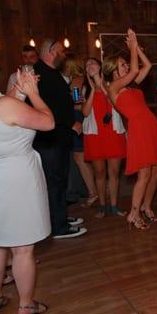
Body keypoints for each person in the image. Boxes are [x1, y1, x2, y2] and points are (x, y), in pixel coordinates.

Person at [0, 53, 53, 314]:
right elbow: (48, 121)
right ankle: (26, 304)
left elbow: (3, 108)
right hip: (17, 181)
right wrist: (33, 93)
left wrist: (18, 88)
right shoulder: (3, 105)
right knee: (23, 248)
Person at [106, 30, 157, 230]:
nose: (126, 66)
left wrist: (136, 49)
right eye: (122, 64)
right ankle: (133, 214)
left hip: (150, 125)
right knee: (144, 174)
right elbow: (135, 70)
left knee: (156, 168)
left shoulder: (132, 85)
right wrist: (132, 47)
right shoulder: (113, 88)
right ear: (113, 71)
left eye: (126, 63)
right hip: (138, 129)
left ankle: (146, 206)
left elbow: (148, 66)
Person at [29, 39, 87, 238]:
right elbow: (45, 108)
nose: (64, 56)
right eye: (61, 52)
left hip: (59, 138)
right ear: (51, 52)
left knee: (60, 182)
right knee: (54, 183)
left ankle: (59, 217)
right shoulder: (38, 74)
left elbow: (59, 102)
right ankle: (58, 227)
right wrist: (70, 123)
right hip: (49, 140)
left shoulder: (50, 73)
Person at [82, 57, 127, 217]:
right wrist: (93, 88)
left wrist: (100, 84)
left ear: (100, 67)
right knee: (99, 173)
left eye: (92, 63)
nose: (89, 65)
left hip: (113, 132)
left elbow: (117, 105)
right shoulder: (85, 89)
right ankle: (102, 205)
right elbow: (85, 112)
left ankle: (114, 206)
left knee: (114, 172)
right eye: (87, 64)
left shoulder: (111, 85)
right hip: (95, 135)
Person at [61, 54, 97, 208]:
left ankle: (93, 192)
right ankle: (94, 190)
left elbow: (77, 105)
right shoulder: (84, 80)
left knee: (80, 158)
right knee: (84, 157)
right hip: (82, 118)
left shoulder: (76, 81)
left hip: (78, 118)